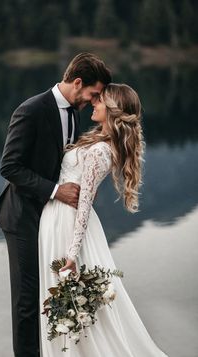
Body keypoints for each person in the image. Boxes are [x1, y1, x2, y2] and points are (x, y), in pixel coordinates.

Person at [0, 53, 112, 357]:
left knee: (50, 292)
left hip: (52, 219)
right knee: (26, 300)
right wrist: (57, 191)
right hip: (21, 216)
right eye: (94, 93)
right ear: (77, 82)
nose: (93, 101)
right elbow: (9, 167)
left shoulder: (73, 112)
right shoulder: (31, 110)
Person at [39, 83, 169, 356]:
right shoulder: (98, 141)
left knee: (70, 298)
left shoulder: (100, 150)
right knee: (67, 301)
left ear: (112, 109)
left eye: (100, 100)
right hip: (57, 216)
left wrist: (72, 254)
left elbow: (84, 203)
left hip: (68, 223)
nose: (95, 102)